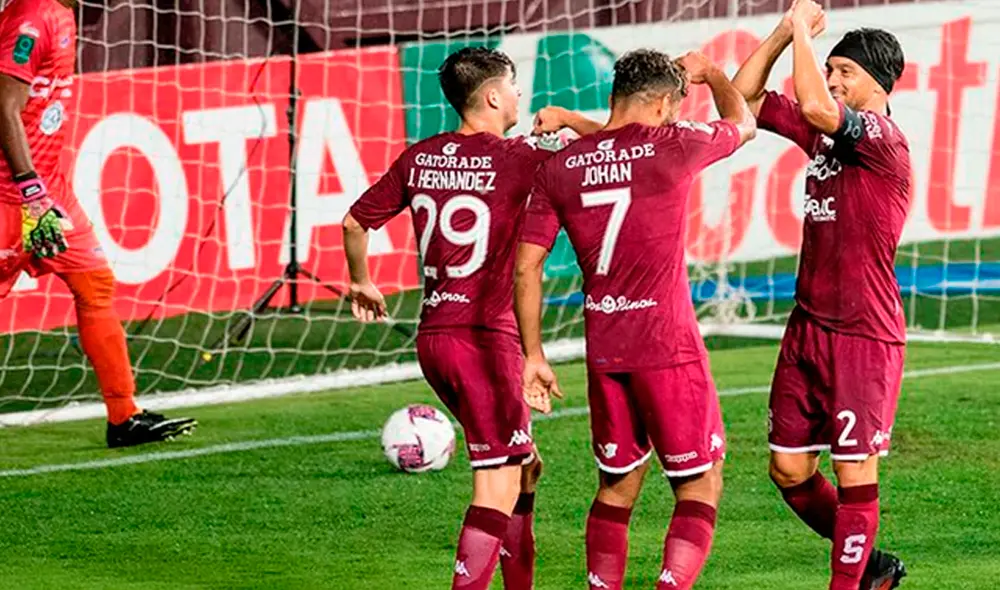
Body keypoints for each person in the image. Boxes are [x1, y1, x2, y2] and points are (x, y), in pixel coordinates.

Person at [342, 46, 601, 590]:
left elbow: (352, 223)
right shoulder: (520, 157)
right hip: (486, 340)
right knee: (497, 485)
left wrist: (362, 281)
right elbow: (609, 145)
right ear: (490, 96)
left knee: (526, 468)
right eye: (512, 86)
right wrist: (570, 121)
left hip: (434, 338)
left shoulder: (420, 156)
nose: (519, 96)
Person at [515, 48, 755, 590]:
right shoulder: (676, 144)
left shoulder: (558, 168)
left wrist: (534, 355)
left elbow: (526, 268)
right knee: (699, 483)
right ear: (667, 103)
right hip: (667, 345)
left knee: (618, 484)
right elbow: (744, 123)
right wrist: (715, 72)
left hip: (604, 346)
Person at [732, 1, 910, 588]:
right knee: (787, 469)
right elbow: (741, 100)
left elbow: (813, 103)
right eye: (829, 70)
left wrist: (806, 36)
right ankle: (873, 566)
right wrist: (785, 31)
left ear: (876, 82)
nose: (832, 80)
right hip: (807, 327)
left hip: (863, 332)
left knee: (854, 469)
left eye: (844, 72)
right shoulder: (828, 138)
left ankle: (848, 581)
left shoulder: (883, 139)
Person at [0, 0, 195, 447]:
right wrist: (30, 193)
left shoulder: (62, 14)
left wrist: (40, 192)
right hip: (13, 195)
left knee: (95, 285)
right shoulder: (31, 17)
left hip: (50, 192)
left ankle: (124, 416)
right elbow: (3, 108)